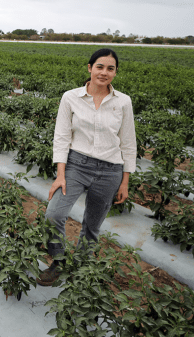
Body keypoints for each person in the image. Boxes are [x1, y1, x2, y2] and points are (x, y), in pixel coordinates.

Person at [36, 48, 136, 286]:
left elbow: (128, 142)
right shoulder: (70, 97)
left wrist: (125, 181)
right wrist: (60, 175)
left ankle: (80, 267)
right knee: (53, 215)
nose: (104, 72)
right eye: (99, 67)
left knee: (92, 225)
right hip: (76, 165)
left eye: (110, 68)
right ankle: (58, 261)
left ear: (115, 73)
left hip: (110, 170)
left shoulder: (123, 102)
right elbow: (61, 137)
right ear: (89, 68)